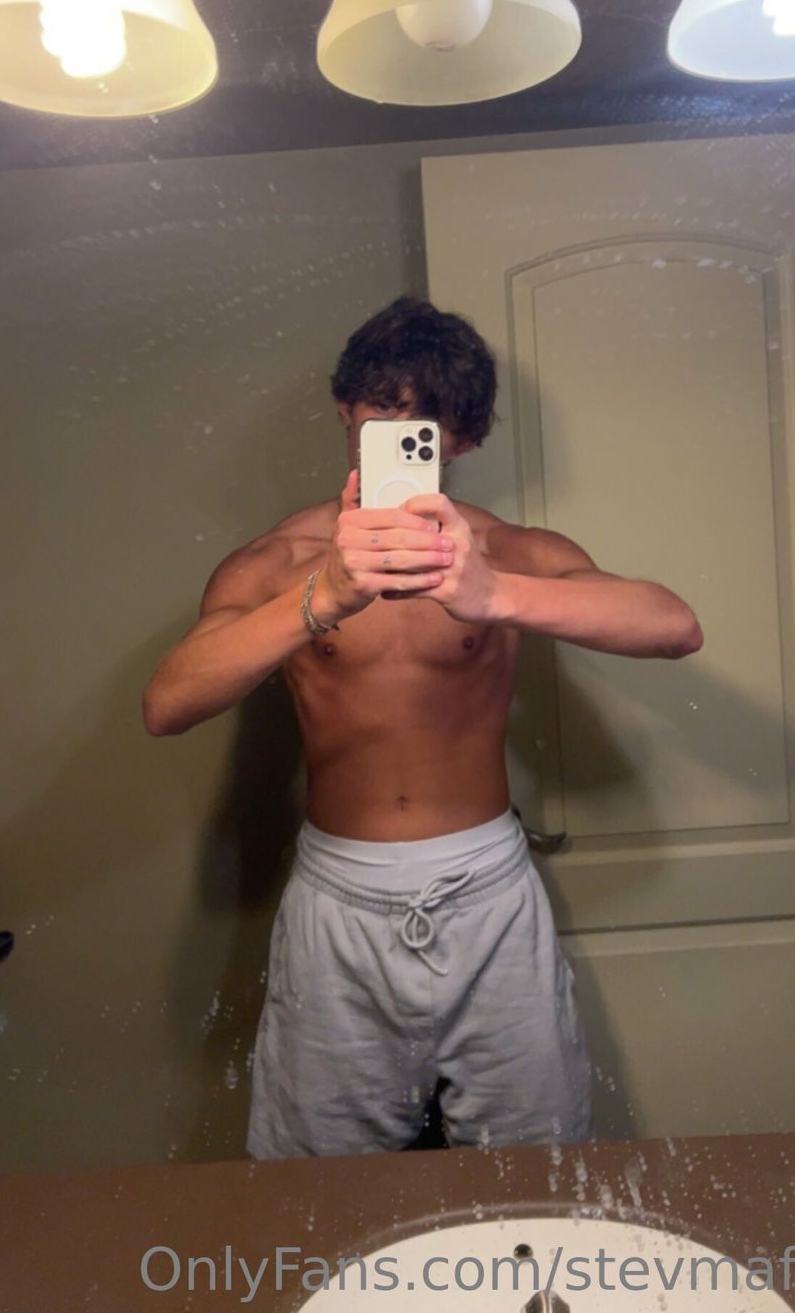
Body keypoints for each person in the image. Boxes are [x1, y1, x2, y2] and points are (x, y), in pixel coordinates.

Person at [143, 295, 703, 1158]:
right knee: (322, 1185)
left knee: (533, 1167)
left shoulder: (503, 552)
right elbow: (168, 703)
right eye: (382, 410)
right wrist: (324, 597)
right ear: (346, 410)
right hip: (339, 900)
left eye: (426, 421)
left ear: (462, 439)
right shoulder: (279, 563)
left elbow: (673, 626)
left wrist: (494, 594)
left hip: (488, 894)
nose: (402, 430)